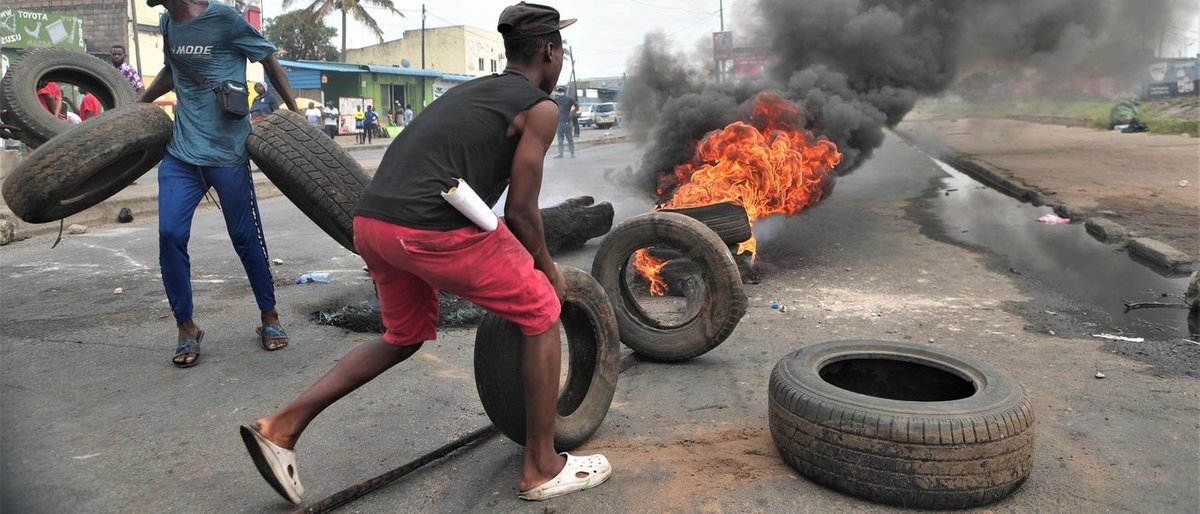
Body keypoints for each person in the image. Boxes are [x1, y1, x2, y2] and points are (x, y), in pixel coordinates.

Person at [240, 2, 611, 505]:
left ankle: (281, 427)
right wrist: (548, 269)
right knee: (543, 310)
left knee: (403, 336)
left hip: (371, 222)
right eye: (560, 51)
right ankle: (542, 467)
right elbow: (521, 212)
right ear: (550, 51)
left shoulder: (470, 93)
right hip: (427, 225)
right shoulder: (539, 107)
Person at [138, 0, 300, 368]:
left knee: (245, 237)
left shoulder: (225, 18)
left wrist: (295, 111)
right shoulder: (167, 24)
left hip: (227, 153)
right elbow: (172, 69)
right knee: (170, 236)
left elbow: (268, 59)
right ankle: (186, 327)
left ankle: (269, 316)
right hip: (180, 153)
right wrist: (138, 103)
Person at [553, 85, 575, 158]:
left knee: (570, 139)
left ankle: (572, 153)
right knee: (560, 139)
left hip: (567, 122)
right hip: (559, 123)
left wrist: (573, 113)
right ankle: (561, 154)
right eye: (559, 91)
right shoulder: (556, 99)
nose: (560, 93)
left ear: (564, 92)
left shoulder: (569, 99)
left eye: (561, 91)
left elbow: (577, 105)